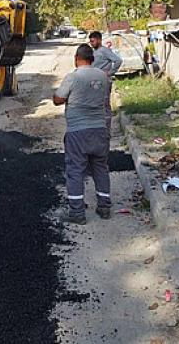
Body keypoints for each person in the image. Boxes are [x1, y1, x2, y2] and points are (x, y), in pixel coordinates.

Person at [53, 44, 111, 225]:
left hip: (78, 132)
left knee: (75, 171)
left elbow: (58, 99)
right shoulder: (103, 76)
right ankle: (104, 207)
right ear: (92, 59)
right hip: (100, 130)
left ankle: (77, 213)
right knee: (100, 168)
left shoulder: (73, 77)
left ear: (77, 58)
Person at [88, 31, 122, 133]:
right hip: (94, 81)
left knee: (104, 104)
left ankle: (107, 129)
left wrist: (110, 72)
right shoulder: (93, 52)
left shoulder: (104, 51)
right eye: (90, 42)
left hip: (104, 81)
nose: (91, 43)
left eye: (93, 41)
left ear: (99, 40)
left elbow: (118, 61)